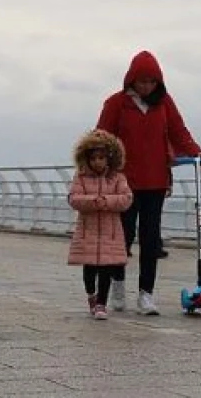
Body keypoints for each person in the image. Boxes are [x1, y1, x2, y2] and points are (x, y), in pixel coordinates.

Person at [97, 50, 201, 315]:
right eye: (142, 81)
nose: (146, 87)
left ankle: (146, 294)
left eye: (151, 82)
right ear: (131, 80)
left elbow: (180, 132)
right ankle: (118, 284)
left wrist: (196, 152)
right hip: (123, 184)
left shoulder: (164, 103)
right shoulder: (116, 104)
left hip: (155, 182)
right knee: (122, 237)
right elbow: (101, 139)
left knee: (150, 240)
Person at [66, 129, 133, 320]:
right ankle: (91, 295)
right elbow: (74, 199)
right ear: (86, 158)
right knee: (89, 269)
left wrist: (107, 201)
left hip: (110, 232)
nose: (98, 162)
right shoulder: (80, 177)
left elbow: (126, 199)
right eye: (94, 158)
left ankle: (102, 303)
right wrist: (93, 201)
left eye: (102, 158)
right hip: (88, 232)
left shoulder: (118, 178)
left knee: (107, 268)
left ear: (109, 158)